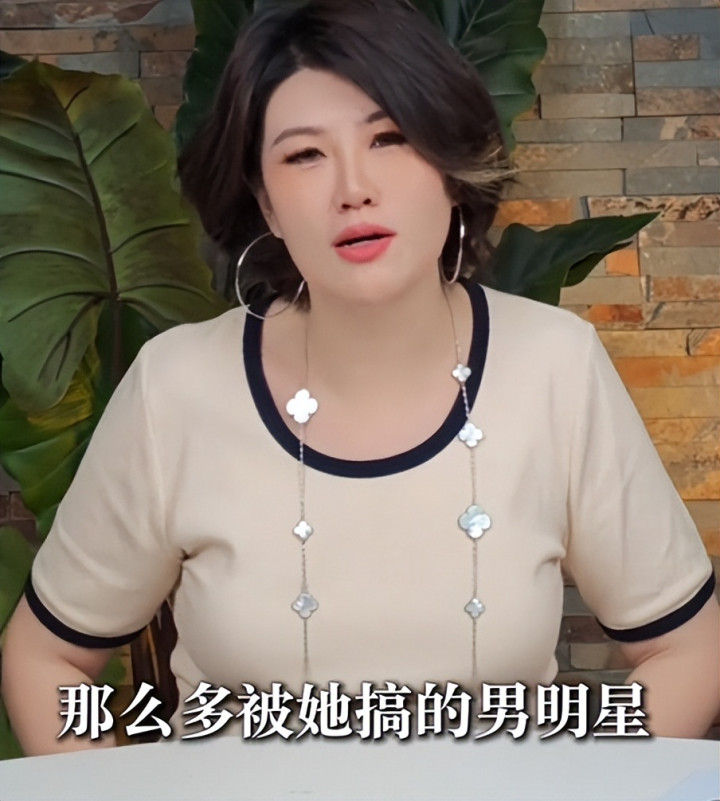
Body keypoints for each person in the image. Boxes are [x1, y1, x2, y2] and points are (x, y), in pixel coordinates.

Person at [3, 0, 718, 756]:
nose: (354, 187)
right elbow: (47, 658)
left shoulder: (555, 365)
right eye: (304, 156)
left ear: (450, 168)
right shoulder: (174, 387)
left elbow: (689, 647)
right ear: (265, 202)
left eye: (389, 138)